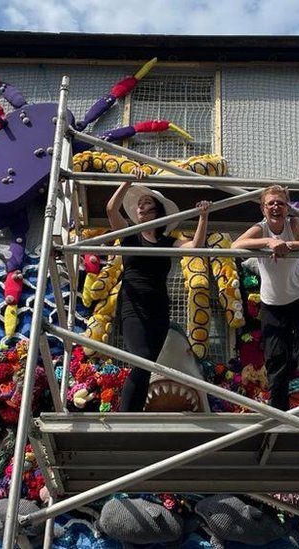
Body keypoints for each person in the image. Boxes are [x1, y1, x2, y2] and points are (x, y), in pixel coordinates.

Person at [107, 170, 211, 412]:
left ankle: (133, 414)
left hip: (159, 308)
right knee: (140, 359)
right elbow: (112, 209)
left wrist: (203, 216)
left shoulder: (167, 241)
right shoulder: (130, 236)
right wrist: (128, 180)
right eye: (139, 205)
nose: (142, 207)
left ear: (158, 212)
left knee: (148, 365)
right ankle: (126, 416)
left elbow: (195, 247)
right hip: (133, 305)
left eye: (148, 204)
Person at [232, 185, 299, 411]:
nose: (276, 207)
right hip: (272, 305)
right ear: (263, 209)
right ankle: (278, 410)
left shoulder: (293, 224)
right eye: (271, 203)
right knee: (276, 358)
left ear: (287, 207)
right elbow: (235, 245)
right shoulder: (260, 228)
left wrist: (288, 245)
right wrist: (269, 242)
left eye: (281, 203)